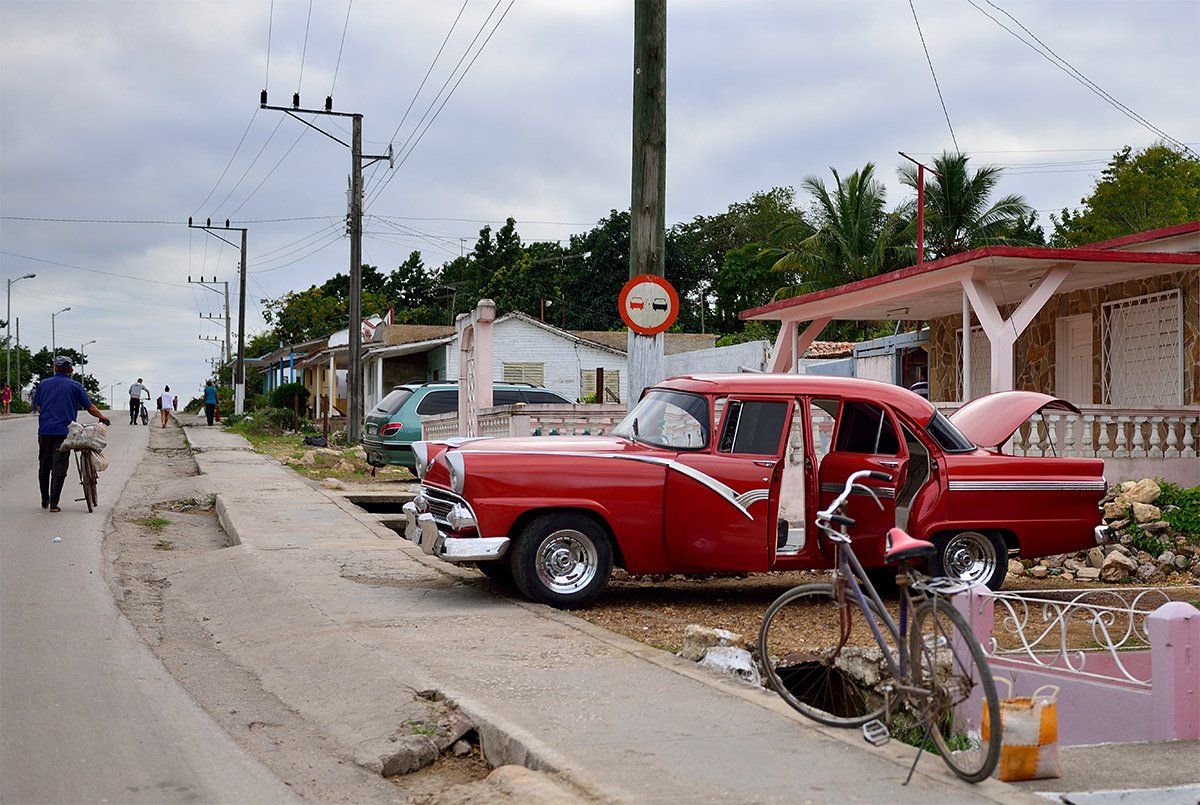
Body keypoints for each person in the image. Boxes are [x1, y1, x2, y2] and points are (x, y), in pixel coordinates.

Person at [36, 356, 110, 512]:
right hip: (65, 432)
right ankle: (54, 504)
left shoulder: (43, 384)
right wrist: (102, 417)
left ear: (55, 368)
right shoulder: (75, 386)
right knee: (59, 467)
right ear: (70, 370)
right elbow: (90, 408)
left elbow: (37, 407)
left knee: (44, 466)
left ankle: (45, 499)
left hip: (45, 431)